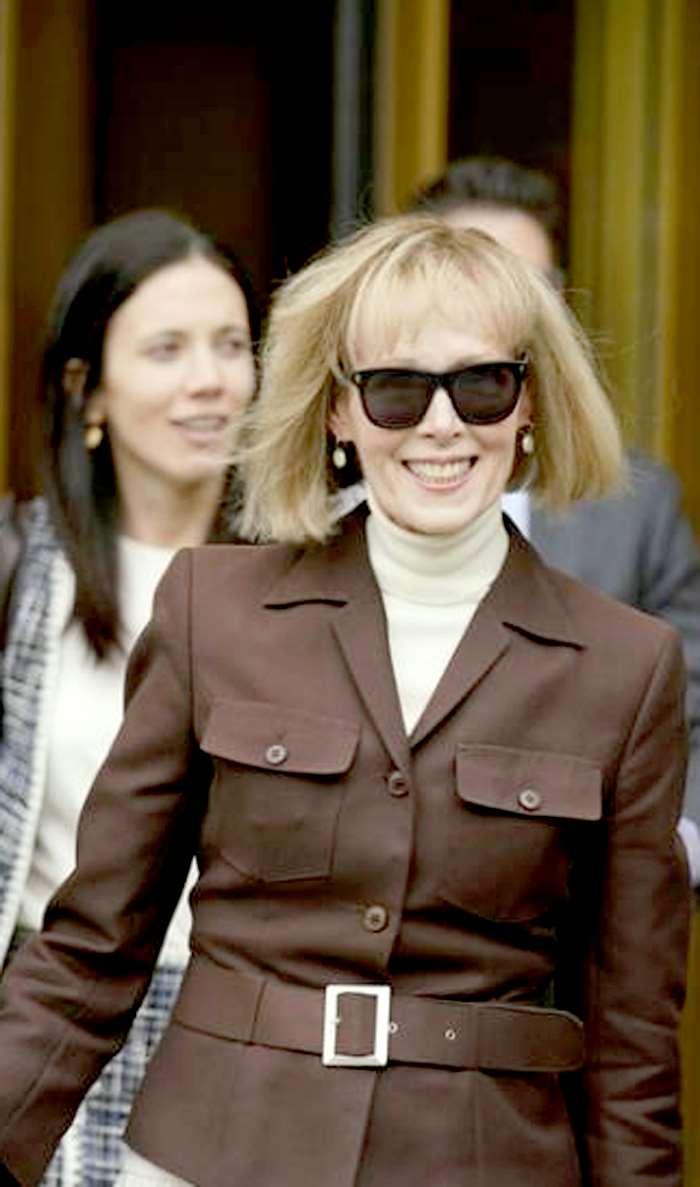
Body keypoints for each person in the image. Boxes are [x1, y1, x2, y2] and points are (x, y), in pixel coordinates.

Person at [0, 216, 689, 1187]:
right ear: (338, 411)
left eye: (482, 385)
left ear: (528, 402)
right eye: (396, 389)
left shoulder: (626, 666)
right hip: (213, 1155)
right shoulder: (213, 611)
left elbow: (632, 1047)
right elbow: (88, 953)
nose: (441, 424)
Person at [0, 209, 258, 1186]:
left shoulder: (317, 584)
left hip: (255, 1052)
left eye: (231, 345)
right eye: (166, 349)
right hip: (51, 1037)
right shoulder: (23, 577)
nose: (210, 379)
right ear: (88, 387)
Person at [409, 155, 700, 882]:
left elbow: (691, 716)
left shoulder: (636, 507)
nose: (500, 321)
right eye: (470, 286)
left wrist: (659, 862)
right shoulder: (343, 496)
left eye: (529, 293)